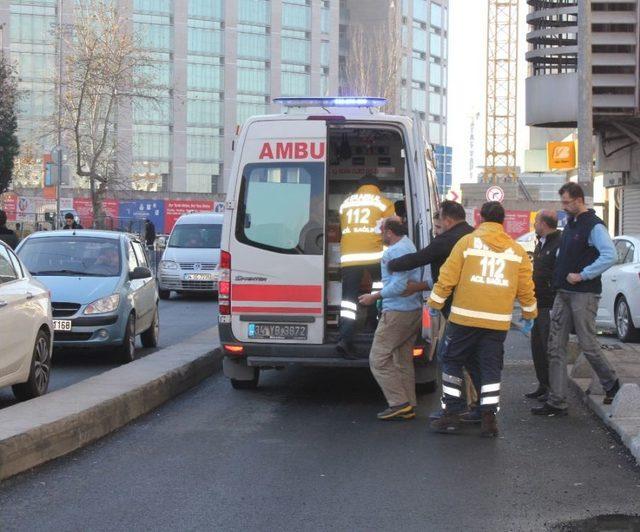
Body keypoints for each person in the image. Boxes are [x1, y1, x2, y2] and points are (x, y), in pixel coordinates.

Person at [428, 201, 537, 437]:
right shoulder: (516, 251)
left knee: (452, 362)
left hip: (464, 319)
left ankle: (452, 414)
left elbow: (448, 276)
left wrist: (435, 303)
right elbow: (526, 287)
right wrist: (529, 314)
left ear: (480, 220)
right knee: (489, 370)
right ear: (502, 221)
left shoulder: (467, 243)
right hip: (496, 323)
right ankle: (488, 419)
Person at [532, 183, 620, 417]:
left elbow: (610, 255)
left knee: (588, 344)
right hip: (563, 294)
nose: (563, 207)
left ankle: (612, 384)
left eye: (566, 202)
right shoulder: (570, 224)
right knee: (555, 347)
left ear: (578, 200)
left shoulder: (593, 225)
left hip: (584, 294)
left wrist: (583, 274)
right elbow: (565, 254)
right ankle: (557, 400)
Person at [358, 218, 422, 420]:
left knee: (378, 359)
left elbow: (399, 286)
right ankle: (408, 403)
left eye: (381, 231)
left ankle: (399, 403)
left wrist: (374, 297)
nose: (379, 235)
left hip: (397, 313)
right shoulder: (409, 244)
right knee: (403, 360)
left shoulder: (393, 253)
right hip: (413, 311)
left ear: (389, 232)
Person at [337, 174, 395, 359]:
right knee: (379, 288)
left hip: (350, 256)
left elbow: (343, 228)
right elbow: (392, 230)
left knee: (348, 299)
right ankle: (373, 323)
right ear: (377, 187)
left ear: (359, 187)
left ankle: (345, 338)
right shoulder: (383, 202)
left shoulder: (346, 203)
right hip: (375, 254)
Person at [524, 210, 561, 402]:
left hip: (549, 303)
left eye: (536, 221)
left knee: (548, 348)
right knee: (537, 347)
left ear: (544, 224)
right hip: (537, 303)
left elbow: (558, 273)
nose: (534, 225)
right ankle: (542, 385)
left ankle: (551, 389)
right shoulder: (541, 243)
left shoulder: (558, 243)